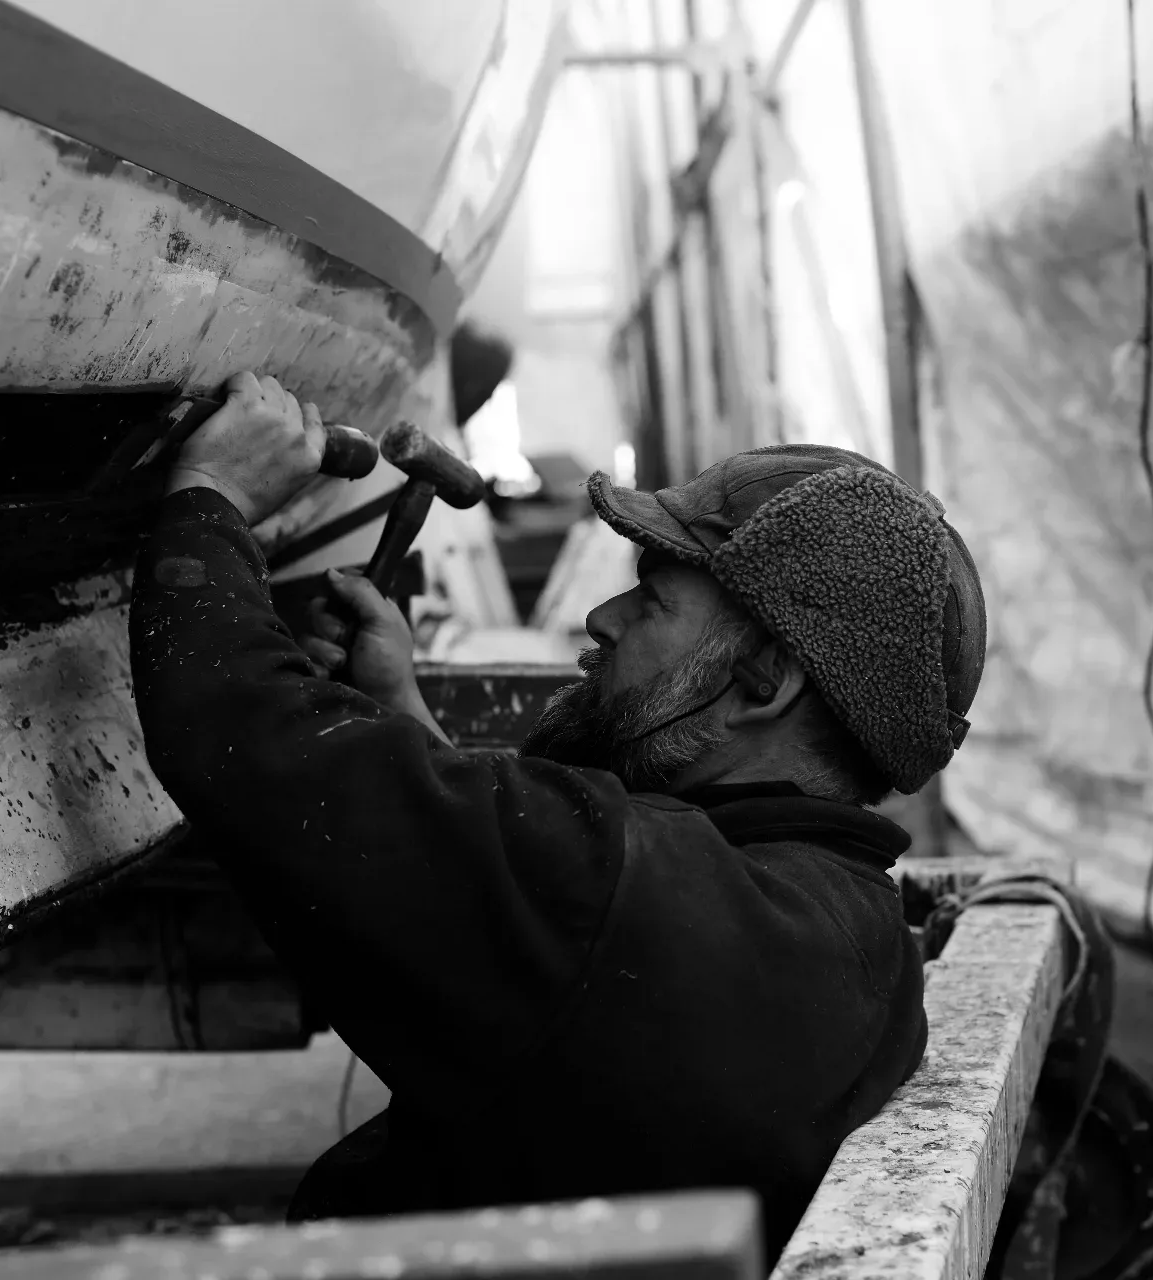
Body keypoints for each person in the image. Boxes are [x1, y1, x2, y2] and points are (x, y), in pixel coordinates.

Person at [132, 370, 988, 1265]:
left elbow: (242, 733)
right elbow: (541, 913)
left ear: (766, 682)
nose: (600, 616)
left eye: (652, 599)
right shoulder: (839, 924)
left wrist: (212, 494)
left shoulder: (637, 894)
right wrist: (396, 707)